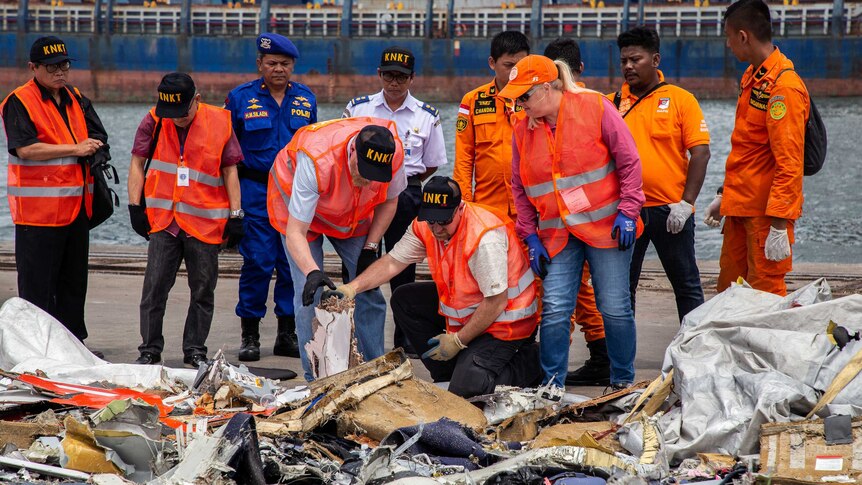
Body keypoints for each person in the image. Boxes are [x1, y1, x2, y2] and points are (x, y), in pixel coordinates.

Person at [502, 55, 645, 398]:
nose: (520, 105)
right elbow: (519, 188)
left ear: (548, 88)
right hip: (557, 234)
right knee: (554, 309)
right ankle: (552, 386)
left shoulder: (595, 107)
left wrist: (628, 211)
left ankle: (622, 381)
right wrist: (530, 235)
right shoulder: (523, 130)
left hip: (606, 228)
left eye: (525, 97)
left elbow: (629, 160)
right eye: (517, 98)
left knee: (613, 306)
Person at [324, 177, 541, 398]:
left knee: (469, 392)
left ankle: (532, 361)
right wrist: (352, 288)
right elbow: (392, 262)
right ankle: (447, 372)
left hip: (506, 324)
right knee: (404, 298)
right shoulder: (425, 226)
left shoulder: (483, 237)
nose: (436, 229)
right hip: (472, 313)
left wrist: (458, 341)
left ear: (459, 209)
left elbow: (496, 302)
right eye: (431, 221)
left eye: (443, 221)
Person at [267, 118, 407, 381]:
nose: (367, 178)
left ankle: (375, 370)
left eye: (374, 175)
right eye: (363, 169)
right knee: (310, 294)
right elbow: (295, 232)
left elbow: (390, 201)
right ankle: (316, 378)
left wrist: (371, 246)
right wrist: (312, 272)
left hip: (350, 210)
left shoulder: (394, 153)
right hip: (299, 209)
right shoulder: (316, 159)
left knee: (370, 285)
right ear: (353, 151)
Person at [0, 36, 111, 351]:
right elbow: (24, 148)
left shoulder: (74, 96)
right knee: (37, 289)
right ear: (33, 67)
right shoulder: (19, 101)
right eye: (52, 67)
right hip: (39, 215)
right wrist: (77, 148)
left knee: (73, 284)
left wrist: (97, 149)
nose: (60, 72)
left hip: (76, 207)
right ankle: (35, 349)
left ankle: (74, 346)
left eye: (64, 65)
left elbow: (97, 132)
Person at [127, 73, 244, 367]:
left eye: (183, 111)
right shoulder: (154, 120)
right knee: (154, 289)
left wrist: (236, 214)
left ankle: (195, 349)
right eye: (171, 113)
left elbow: (230, 171)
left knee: (203, 290)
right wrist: (134, 206)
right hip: (164, 221)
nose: (177, 118)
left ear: (197, 100)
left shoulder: (220, 122)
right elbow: (137, 162)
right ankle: (149, 349)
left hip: (204, 223)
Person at [342, 46, 447, 356]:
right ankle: (355, 337)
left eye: (401, 76)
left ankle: (406, 339)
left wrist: (402, 179)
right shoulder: (358, 108)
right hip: (364, 192)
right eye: (389, 74)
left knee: (403, 268)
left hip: (407, 192)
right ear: (379, 74)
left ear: (412, 78)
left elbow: (432, 163)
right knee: (359, 262)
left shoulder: (427, 115)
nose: (394, 81)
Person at [704, 0, 808, 296]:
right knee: (730, 291)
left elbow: (789, 161)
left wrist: (779, 224)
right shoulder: (754, 77)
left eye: (728, 36)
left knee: (766, 293)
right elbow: (747, 148)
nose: (727, 44)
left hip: (764, 216)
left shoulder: (783, 87)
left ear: (743, 36)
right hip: (741, 209)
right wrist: (725, 196)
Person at [225, 33, 317, 362]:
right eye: (272, 63)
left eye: (285, 64)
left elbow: (314, 148)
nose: (279, 68)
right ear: (259, 64)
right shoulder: (239, 98)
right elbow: (227, 154)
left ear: (293, 66)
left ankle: (286, 333)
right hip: (255, 193)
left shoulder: (306, 98)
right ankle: (249, 334)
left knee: (290, 264)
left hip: (295, 195)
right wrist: (231, 208)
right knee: (258, 264)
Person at [611, 27, 710, 322]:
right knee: (621, 289)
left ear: (655, 59)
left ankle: (693, 350)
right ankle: (620, 361)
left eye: (636, 59)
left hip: (671, 213)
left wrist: (686, 203)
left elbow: (701, 153)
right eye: (624, 61)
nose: (628, 66)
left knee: (687, 285)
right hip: (627, 212)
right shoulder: (611, 104)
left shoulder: (681, 100)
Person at [542, 37, 611, 387]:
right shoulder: (599, 103)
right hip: (587, 217)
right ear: (581, 68)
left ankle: (555, 370)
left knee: (558, 295)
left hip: (556, 219)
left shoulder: (552, 107)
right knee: (577, 291)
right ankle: (600, 356)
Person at [453, 30, 529, 219]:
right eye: (509, 65)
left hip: (530, 206)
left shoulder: (539, 99)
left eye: (521, 66)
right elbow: (464, 157)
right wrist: (464, 203)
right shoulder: (472, 101)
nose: (515, 72)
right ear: (492, 63)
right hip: (487, 207)